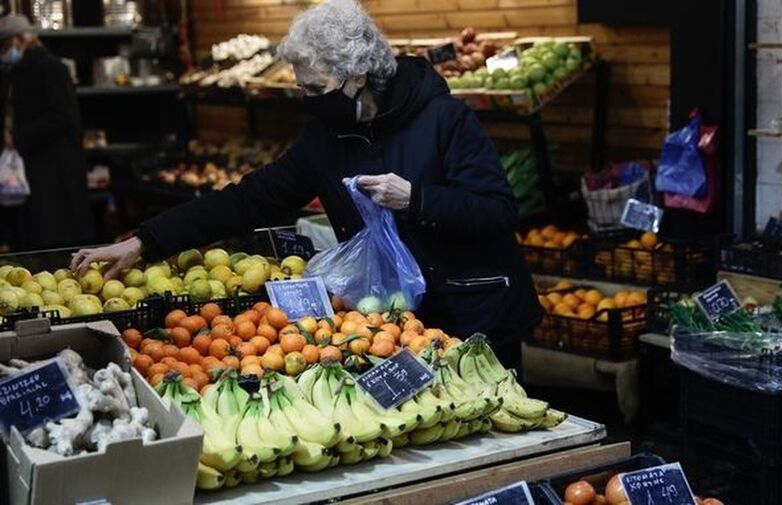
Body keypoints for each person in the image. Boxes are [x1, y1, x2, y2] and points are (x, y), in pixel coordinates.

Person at [70, 0, 541, 368]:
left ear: (357, 73)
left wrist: (415, 198)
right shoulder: (326, 138)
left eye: (315, 89)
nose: (307, 100)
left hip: (477, 316)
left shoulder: (445, 120)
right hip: (395, 323)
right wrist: (144, 241)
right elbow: (250, 200)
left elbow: (497, 210)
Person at [0, 15, 94, 250]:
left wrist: (18, 138)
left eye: (4, 45)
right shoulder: (16, 71)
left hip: (53, 167)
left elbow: (61, 117)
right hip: (32, 164)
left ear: (21, 40)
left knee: (53, 233)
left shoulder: (51, 69)